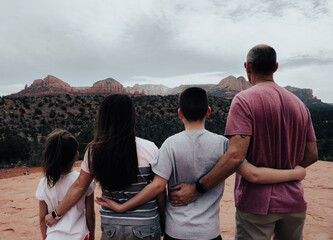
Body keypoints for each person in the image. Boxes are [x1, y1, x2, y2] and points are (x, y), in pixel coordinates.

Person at [95, 87, 306, 240]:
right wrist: (295, 174)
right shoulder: (224, 145)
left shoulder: (170, 144)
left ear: (179, 114)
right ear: (208, 112)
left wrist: (124, 208)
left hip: (176, 231)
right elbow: (254, 175)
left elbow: (158, 186)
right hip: (209, 233)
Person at [169, 45, 318, 240]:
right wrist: (288, 172)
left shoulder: (244, 100)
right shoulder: (299, 105)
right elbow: (312, 154)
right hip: (294, 202)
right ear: (276, 67)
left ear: (247, 67)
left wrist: (197, 189)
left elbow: (235, 156)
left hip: (257, 206)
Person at [45, 94, 164, 239]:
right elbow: (159, 190)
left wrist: (55, 214)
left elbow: (80, 187)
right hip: (145, 226)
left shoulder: (94, 151)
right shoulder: (150, 149)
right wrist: (163, 219)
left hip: (111, 227)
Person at [36, 129, 96, 240]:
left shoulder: (44, 184)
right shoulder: (85, 182)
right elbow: (90, 215)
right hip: (80, 236)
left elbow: (41, 218)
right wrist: (92, 236)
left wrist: (45, 237)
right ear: (76, 155)